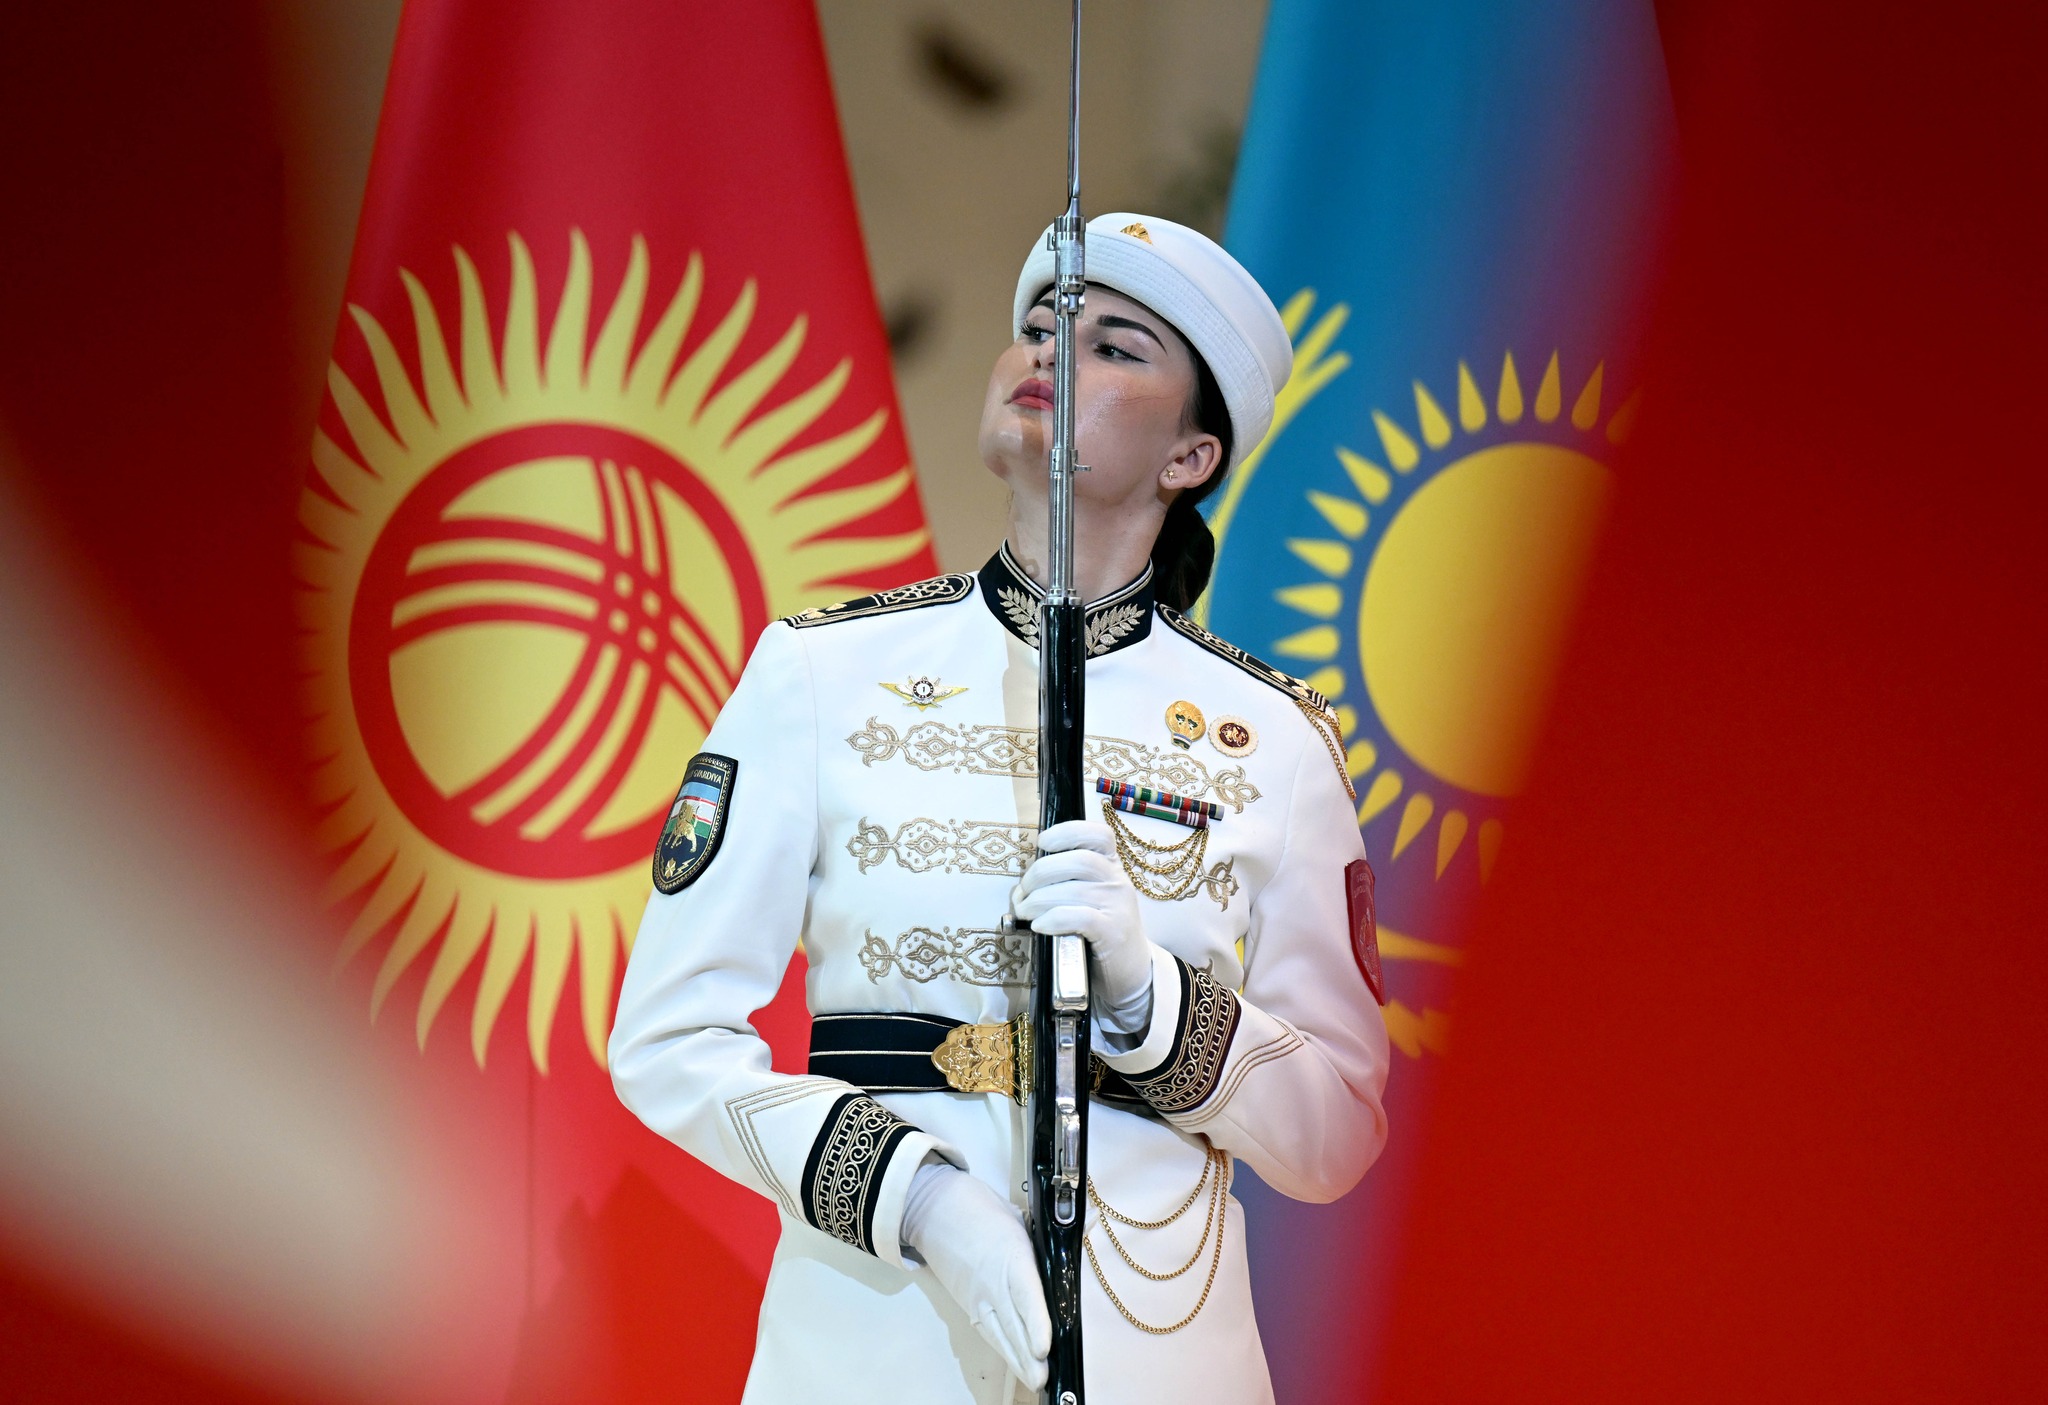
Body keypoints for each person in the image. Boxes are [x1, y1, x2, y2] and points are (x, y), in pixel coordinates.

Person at [611, 213, 1390, 1404]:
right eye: (1039, 324)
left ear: (1190, 457)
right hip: (871, 1342)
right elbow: (669, 1039)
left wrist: (1153, 1002)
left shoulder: (1274, 738)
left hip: (1160, 1350)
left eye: (1113, 345)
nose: (1049, 351)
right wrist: (922, 1200)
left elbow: (1337, 1133)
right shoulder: (820, 673)